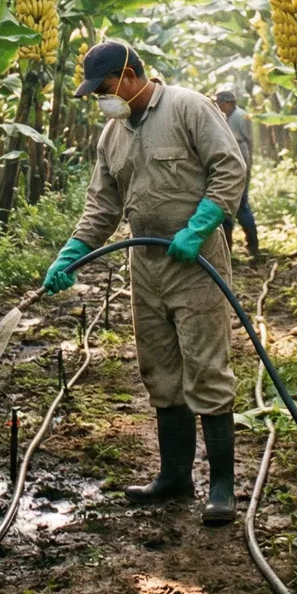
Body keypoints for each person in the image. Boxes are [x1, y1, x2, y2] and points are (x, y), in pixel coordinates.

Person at [40, 42, 248, 525]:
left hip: (197, 263)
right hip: (146, 265)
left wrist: (198, 228)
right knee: (160, 371)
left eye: (106, 88)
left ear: (131, 75)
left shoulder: (188, 107)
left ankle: (222, 487)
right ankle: (175, 476)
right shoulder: (112, 134)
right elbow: (102, 205)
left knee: (206, 370)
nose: (103, 100)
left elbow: (229, 168)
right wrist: (72, 253)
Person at [215, 90, 260, 259]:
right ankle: (228, 248)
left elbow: (249, 140)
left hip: (240, 160)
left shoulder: (240, 116)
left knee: (241, 205)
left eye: (220, 103)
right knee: (226, 204)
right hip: (229, 162)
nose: (219, 106)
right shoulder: (225, 116)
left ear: (229, 103)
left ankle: (253, 245)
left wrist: (249, 164)